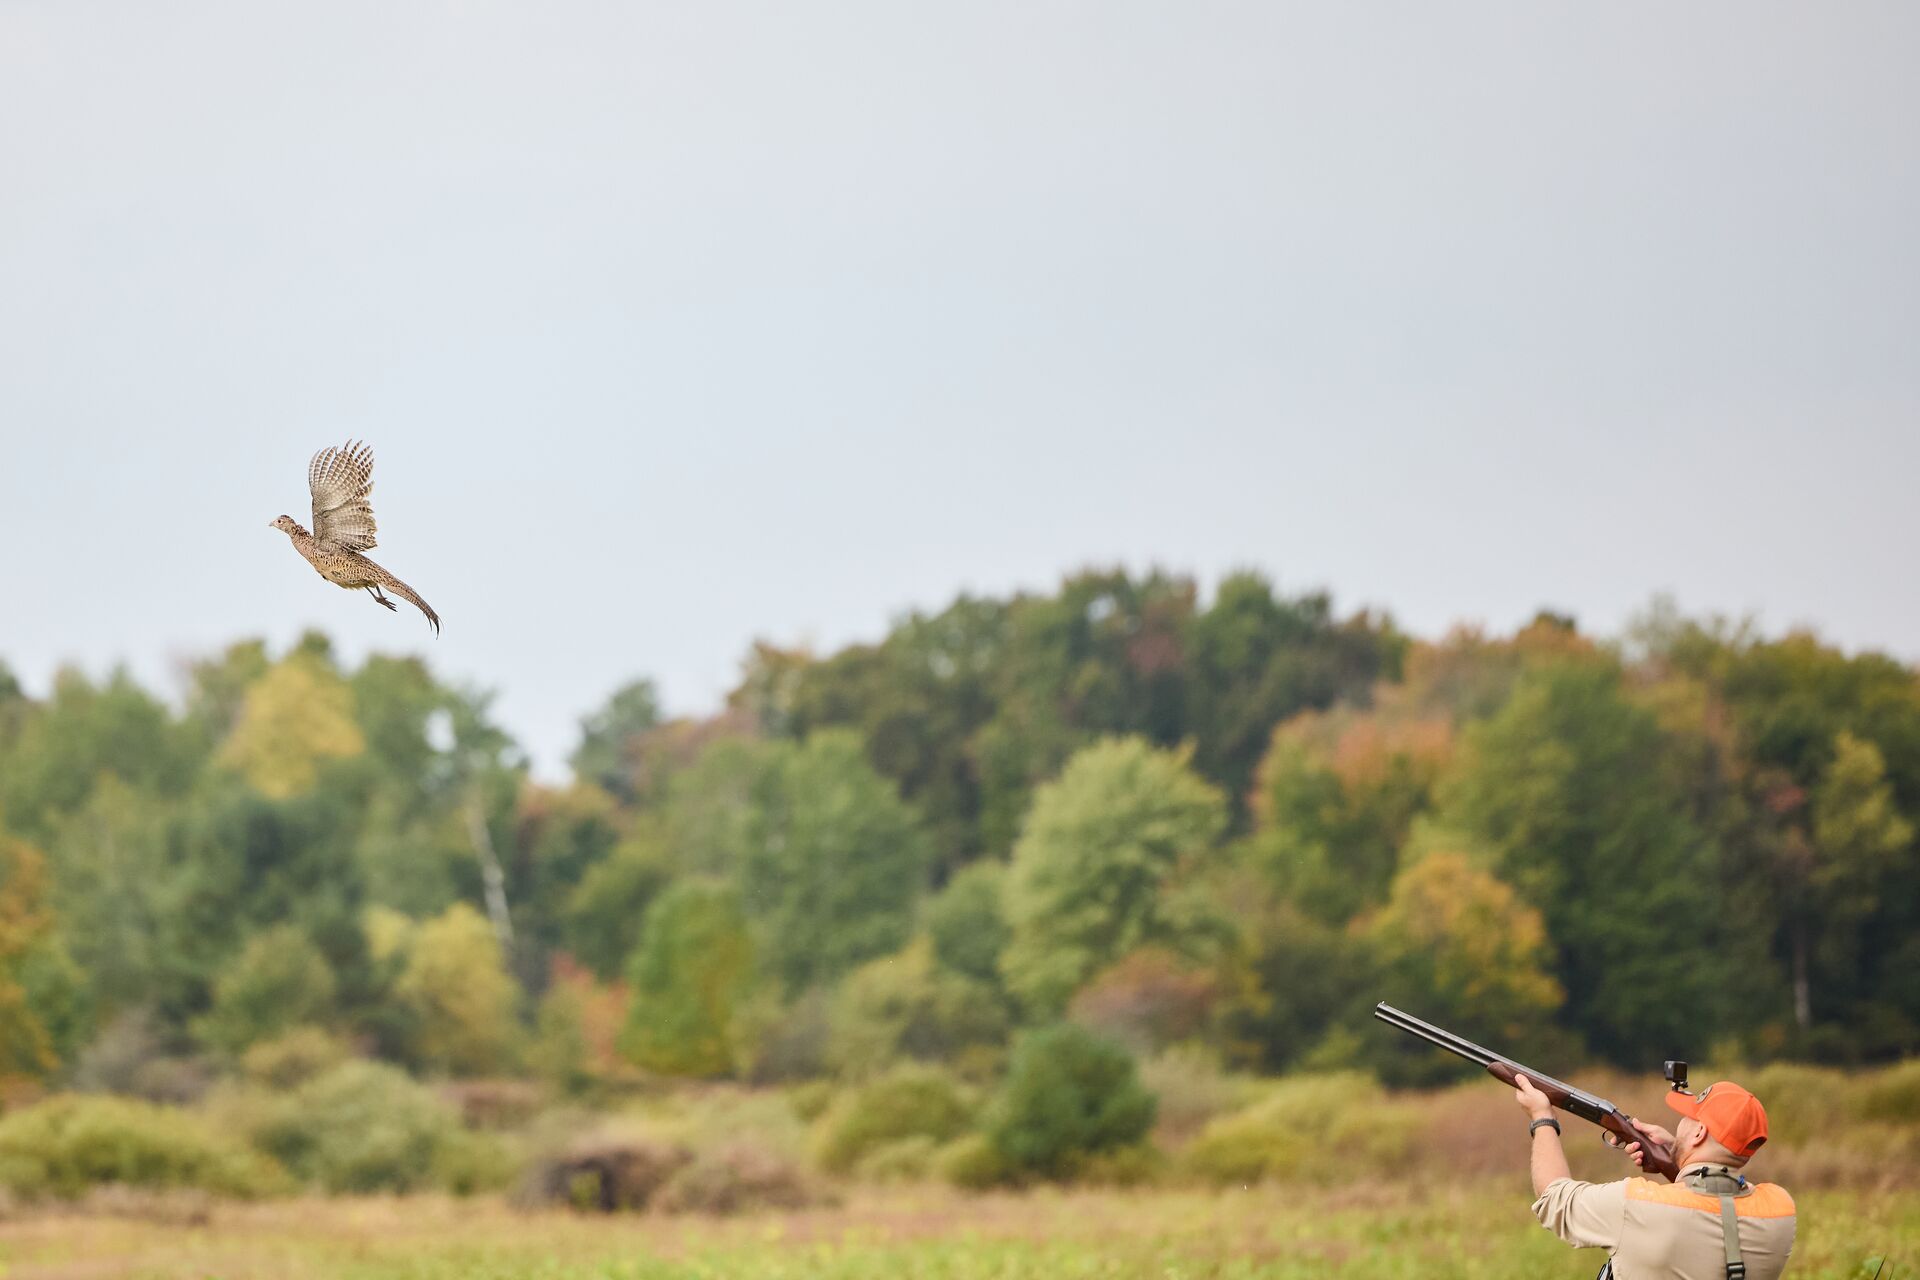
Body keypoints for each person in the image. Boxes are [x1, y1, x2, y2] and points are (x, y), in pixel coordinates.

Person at [1513, 1072, 1796, 1279]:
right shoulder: (1780, 1212)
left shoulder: (1636, 1205)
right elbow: (1717, 1206)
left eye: (1689, 1119)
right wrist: (1676, 1157)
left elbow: (1554, 1197)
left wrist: (1542, 1118)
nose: (1681, 1123)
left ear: (1699, 1133)